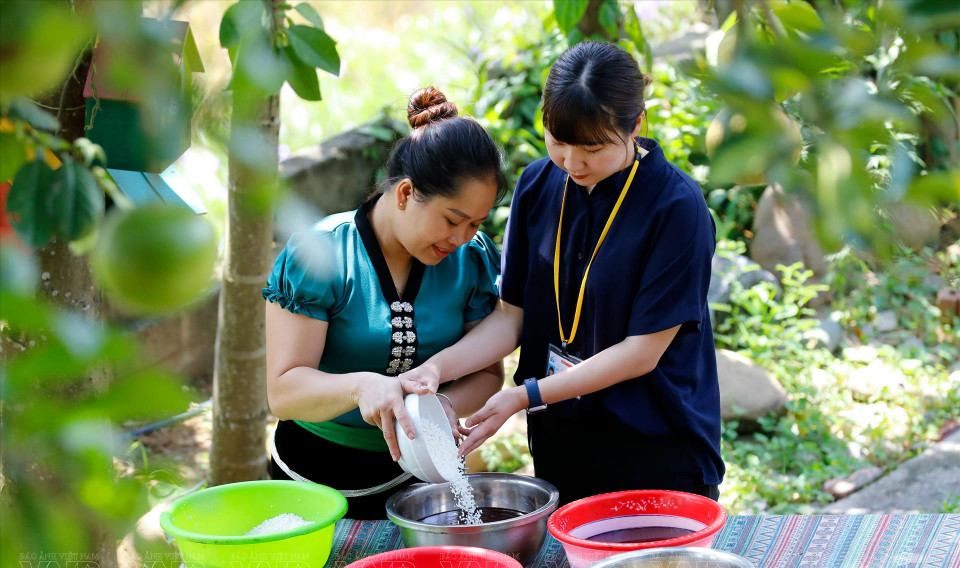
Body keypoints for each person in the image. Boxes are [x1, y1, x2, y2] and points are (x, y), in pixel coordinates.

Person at [402, 42, 724, 505]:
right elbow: (512, 316)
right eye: (559, 141)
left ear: (635, 125)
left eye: (592, 148)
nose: (573, 164)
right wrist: (437, 370)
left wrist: (526, 395)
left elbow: (641, 353)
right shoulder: (536, 185)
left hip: (655, 451)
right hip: (562, 447)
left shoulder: (676, 209)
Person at [264, 87, 507, 519]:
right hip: (312, 483)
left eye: (475, 223)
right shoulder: (321, 255)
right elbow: (284, 392)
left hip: (424, 481)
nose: (462, 237)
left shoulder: (471, 259)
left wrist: (442, 405)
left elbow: (488, 373)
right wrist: (362, 386)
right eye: (452, 220)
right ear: (405, 194)